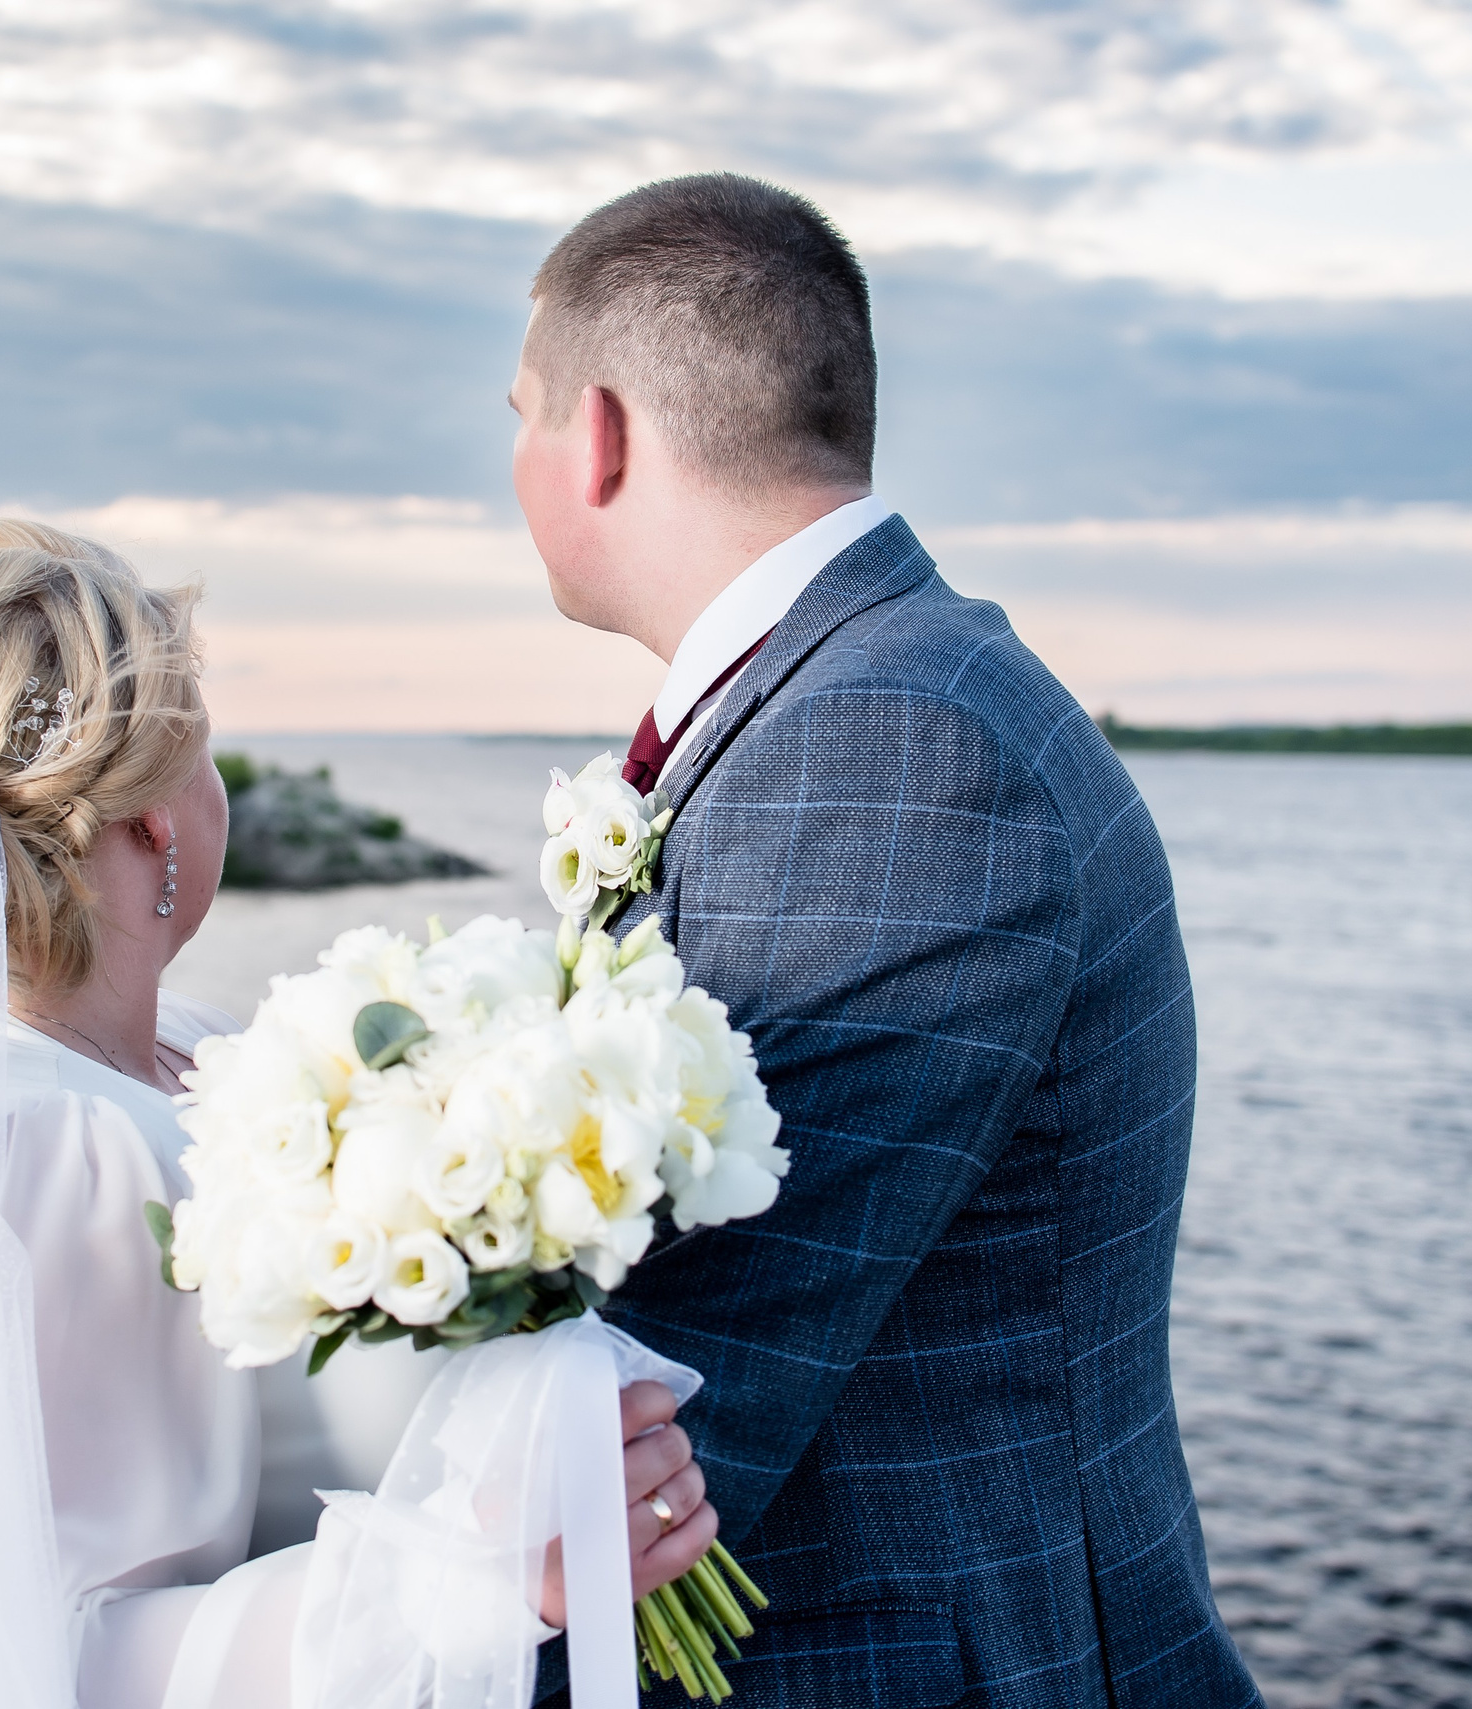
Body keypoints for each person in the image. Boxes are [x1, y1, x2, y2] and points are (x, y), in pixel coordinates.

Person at [508, 176, 1260, 1706]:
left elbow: (707, 1370)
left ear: (597, 433)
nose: (514, 458)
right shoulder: (864, 691)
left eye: (517, 413)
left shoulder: (890, 743)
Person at [0, 518, 718, 1709]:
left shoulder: (210, 1052)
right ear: (155, 818)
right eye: (207, 744)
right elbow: (47, 1651)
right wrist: (470, 1577)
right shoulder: (41, 1151)